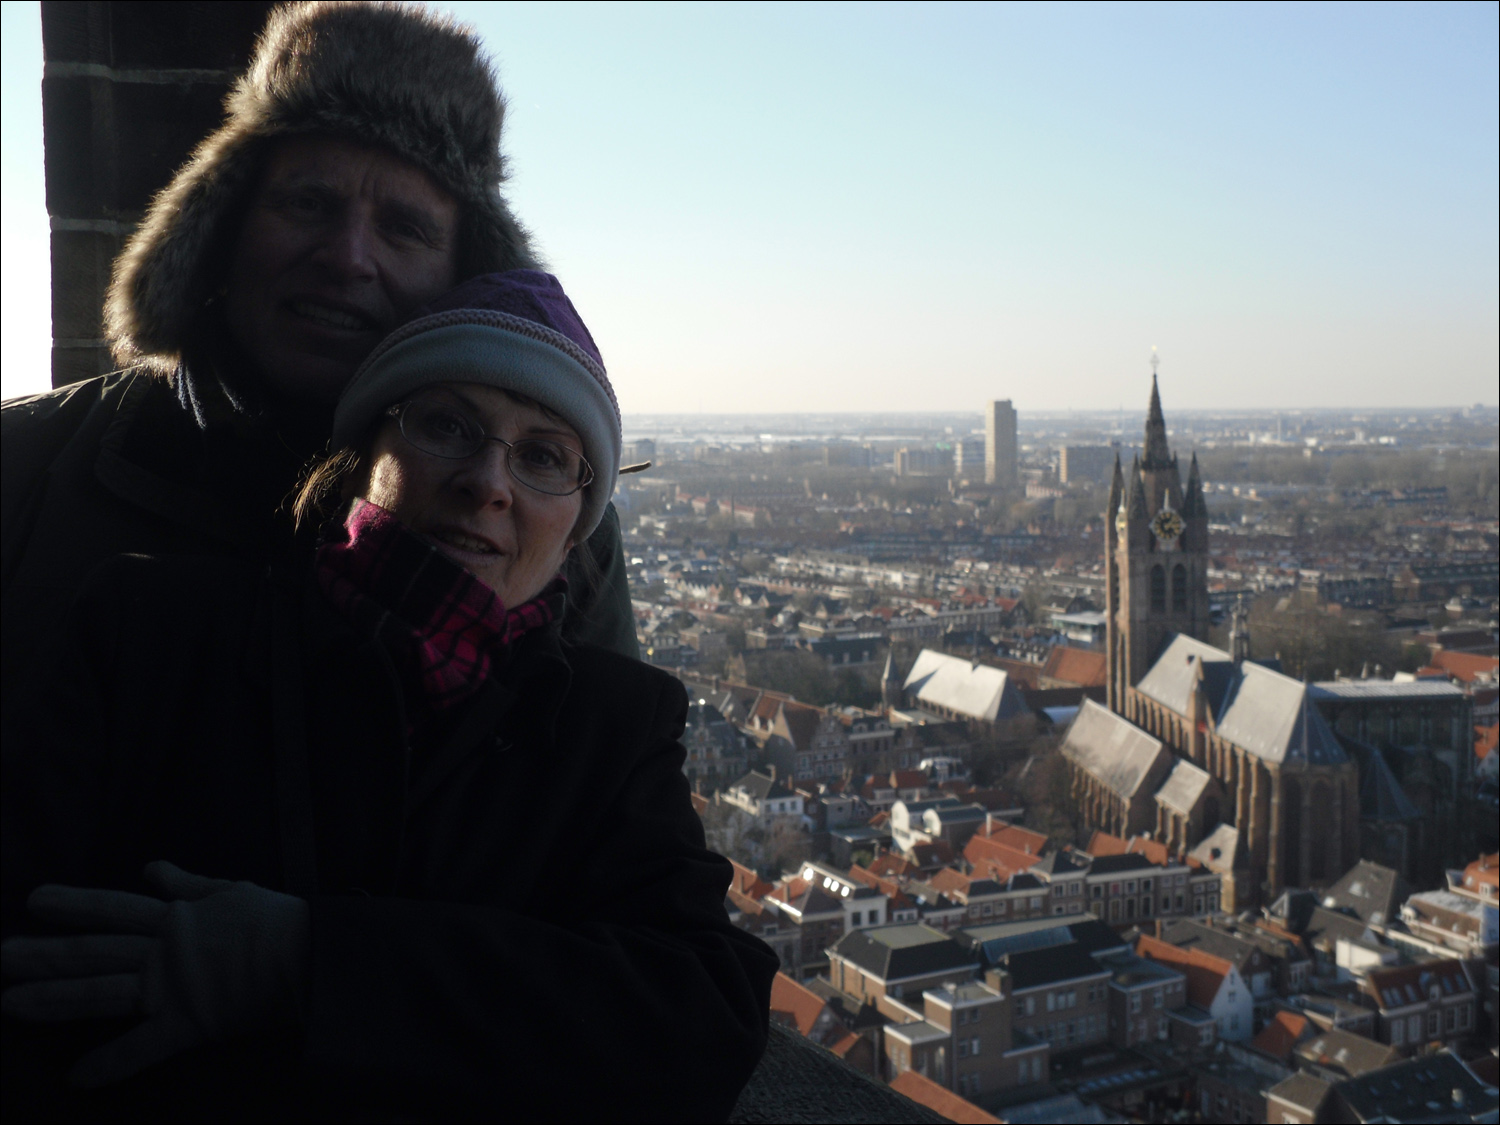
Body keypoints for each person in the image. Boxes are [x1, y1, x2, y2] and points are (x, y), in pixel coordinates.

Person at [1, 271, 777, 1122]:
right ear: (364, 455)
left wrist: (306, 962)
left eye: (545, 455)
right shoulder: (148, 633)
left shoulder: (616, 723)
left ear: (578, 524)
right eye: (447, 423)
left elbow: (702, 1019)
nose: (489, 480)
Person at [0, 2, 638, 706]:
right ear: (222, 227)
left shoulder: (551, 531)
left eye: (403, 228)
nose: (347, 258)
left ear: (465, 273)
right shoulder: (23, 466)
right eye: (307, 204)